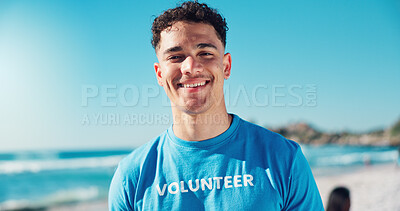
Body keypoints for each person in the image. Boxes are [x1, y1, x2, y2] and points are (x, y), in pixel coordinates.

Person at [108, 1, 324, 210]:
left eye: (205, 53)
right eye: (176, 56)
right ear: (159, 74)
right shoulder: (132, 178)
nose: (190, 67)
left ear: (226, 66)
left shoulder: (283, 159)